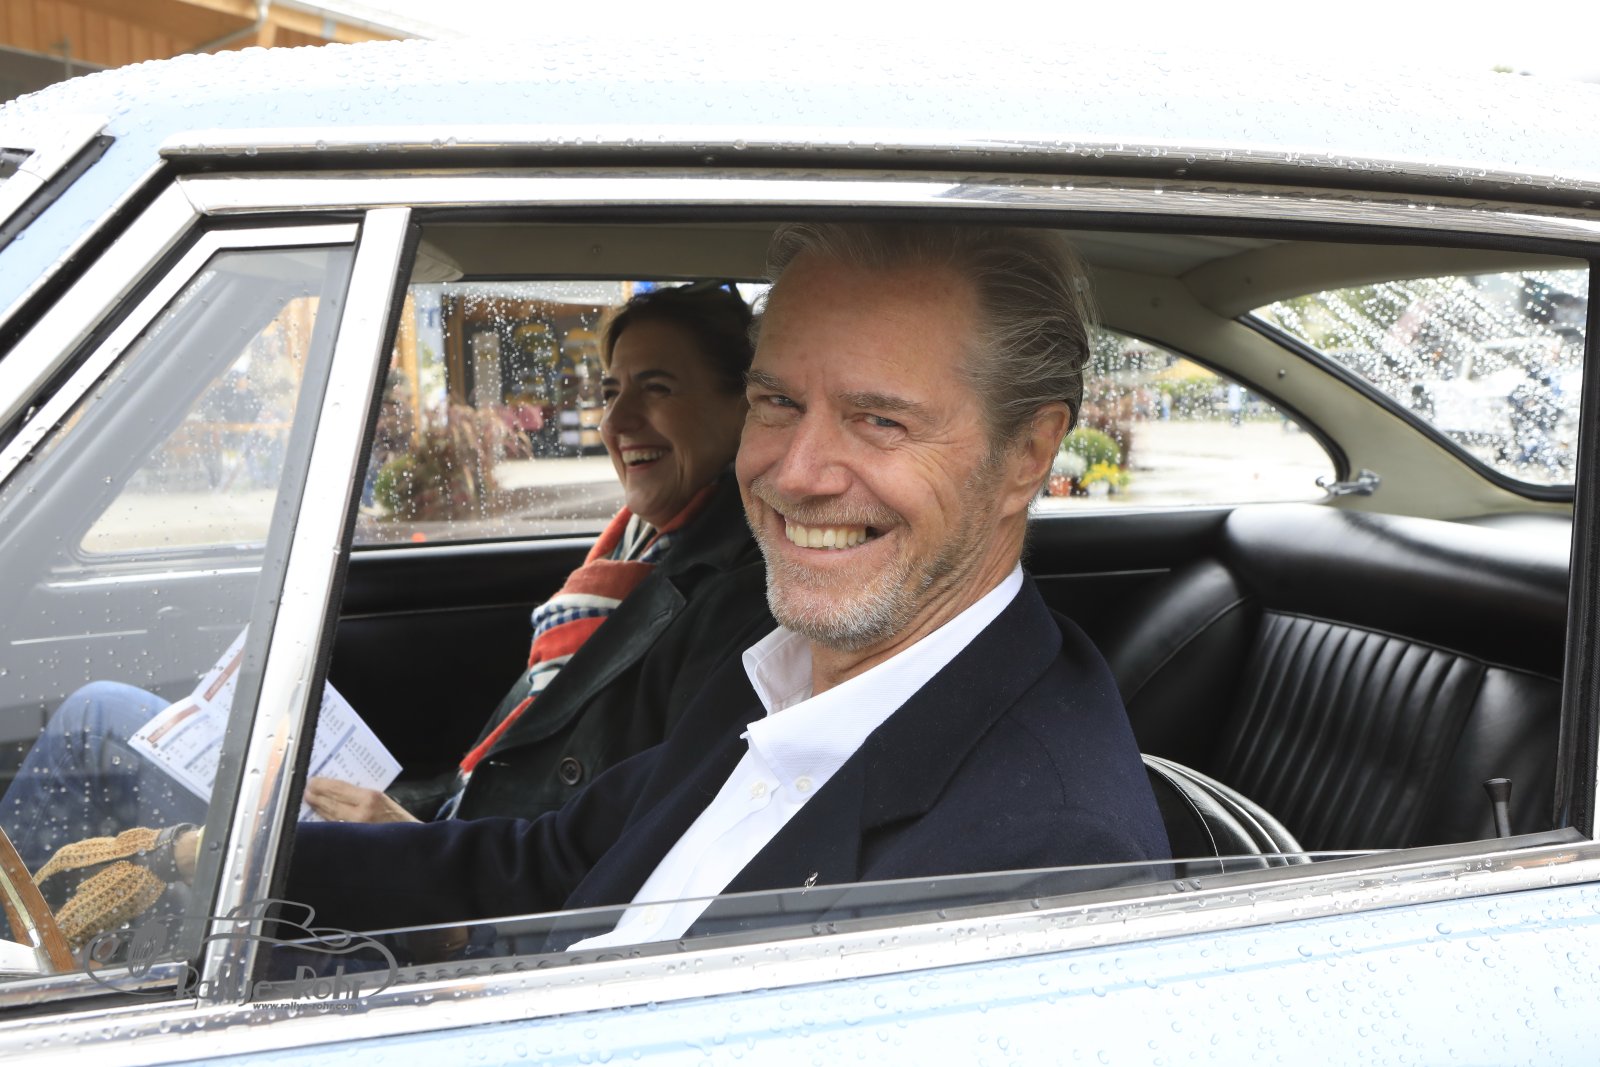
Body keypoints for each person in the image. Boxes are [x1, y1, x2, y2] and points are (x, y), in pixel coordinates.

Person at [273, 222, 1170, 946]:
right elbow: (553, 863)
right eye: (777, 402)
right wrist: (252, 867)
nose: (796, 472)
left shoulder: (1044, 862)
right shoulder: (781, 677)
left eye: (879, 420)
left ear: (1027, 455)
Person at [0, 283, 764, 885]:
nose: (616, 421)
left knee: (97, 718)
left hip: (455, 900)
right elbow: (507, 771)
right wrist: (402, 812)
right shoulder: (638, 546)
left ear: (746, 407)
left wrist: (411, 843)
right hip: (447, 840)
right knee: (110, 713)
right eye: (610, 390)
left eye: (657, 388)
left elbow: (609, 853)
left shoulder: (736, 597)